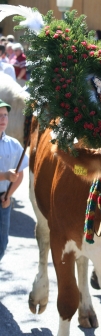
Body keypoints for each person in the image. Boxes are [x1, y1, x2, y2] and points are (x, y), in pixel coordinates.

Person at [0, 99, 29, 260]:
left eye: (5, 115)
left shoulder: (14, 144)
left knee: (2, 245)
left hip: (3, 202)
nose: (3, 119)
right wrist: (4, 175)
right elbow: (9, 175)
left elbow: (20, 175)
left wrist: (8, 196)